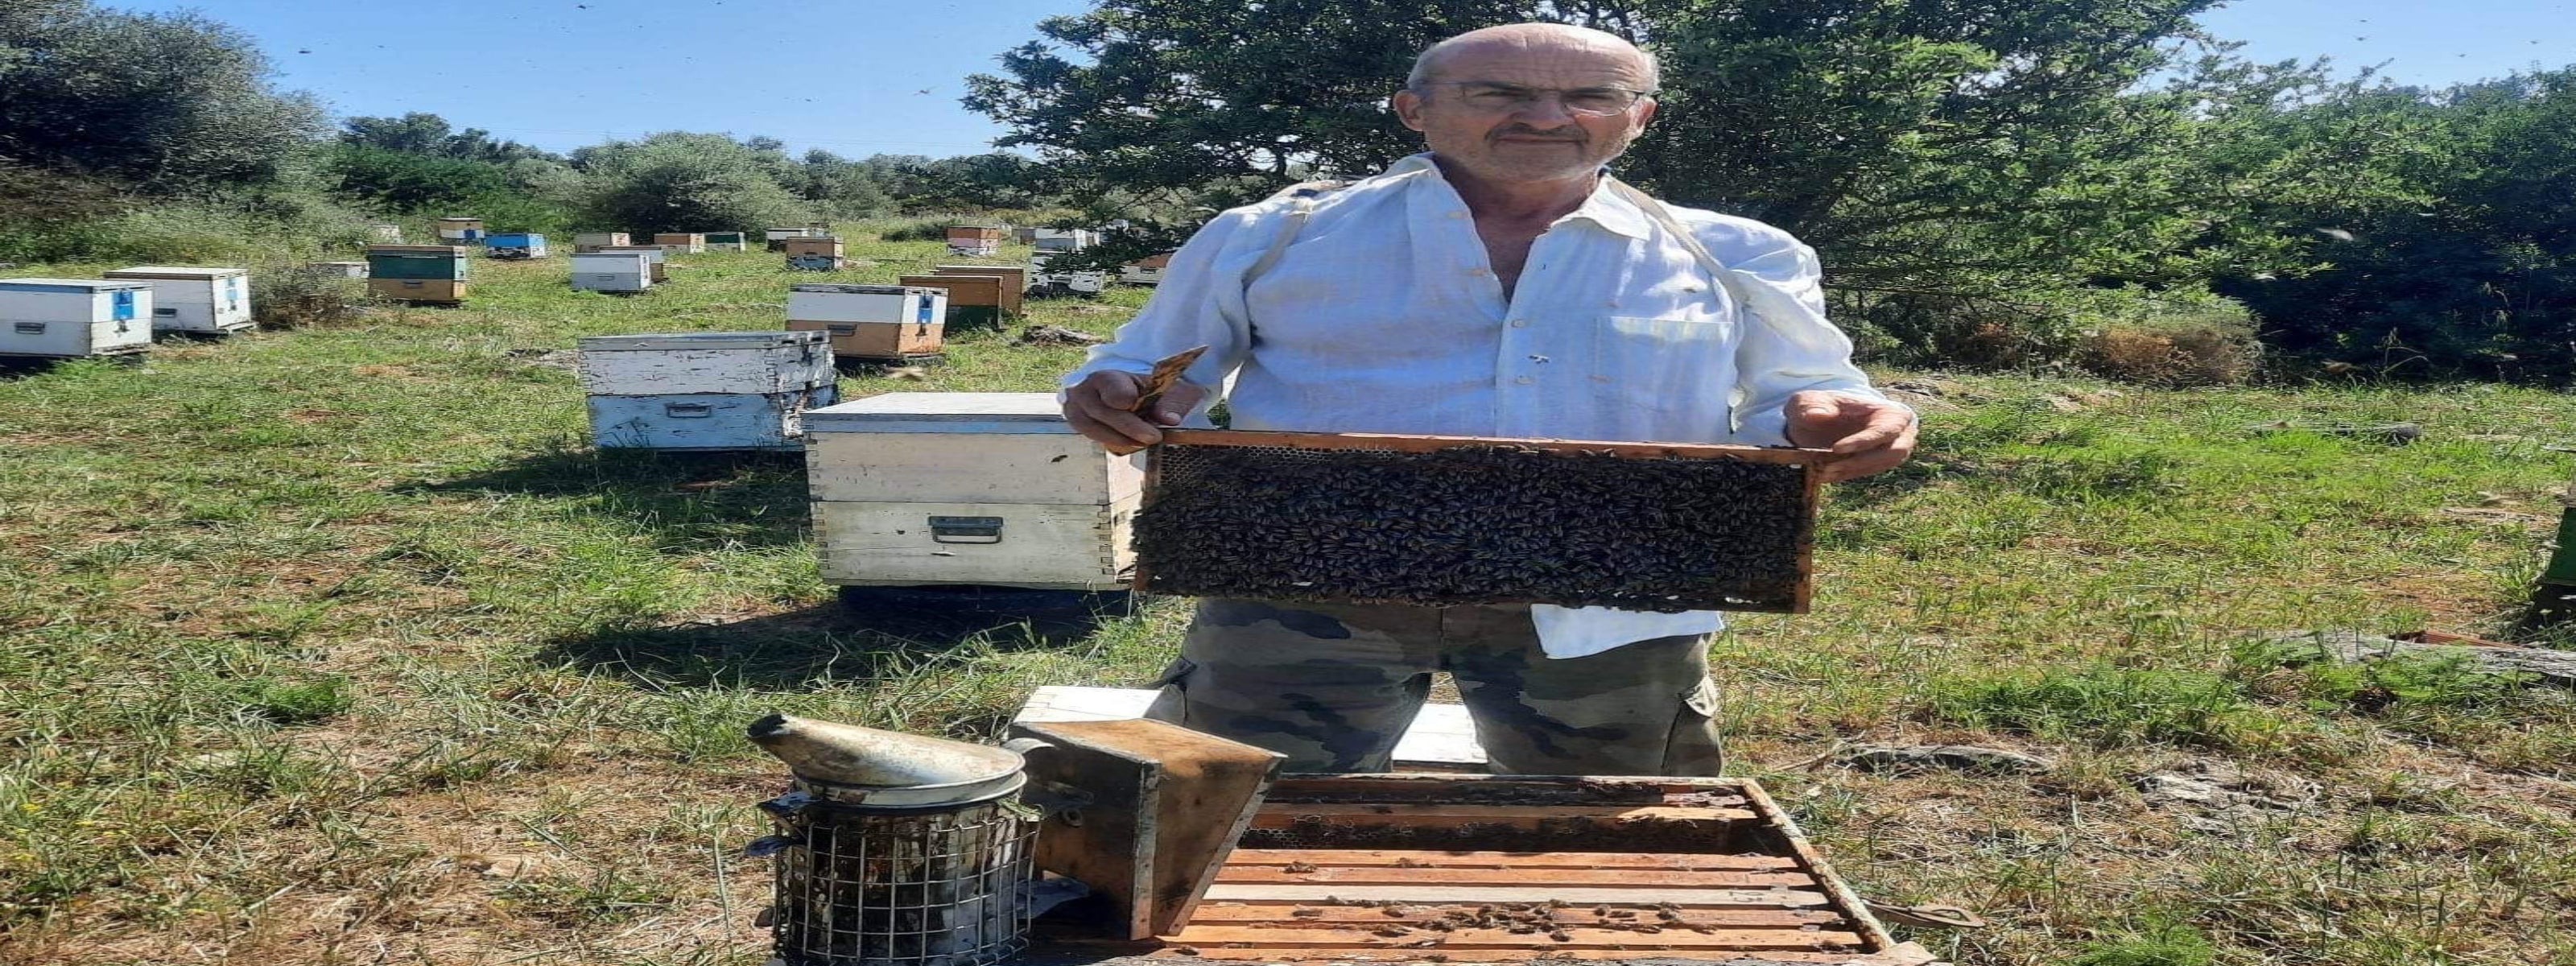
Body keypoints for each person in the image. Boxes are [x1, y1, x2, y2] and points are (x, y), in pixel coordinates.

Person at [1059, 23, 1918, 776]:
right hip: (1305, 591)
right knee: (1243, 813)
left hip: (1607, 604)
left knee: (1602, 844)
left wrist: (1832, 417)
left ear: (1639, 116)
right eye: (1495, 91)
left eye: (1590, 95)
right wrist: (1112, 394)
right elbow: (1152, 369)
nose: (1545, 117)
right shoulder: (1269, 232)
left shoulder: (1742, 253)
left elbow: (1804, 393)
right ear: (1413, 110)